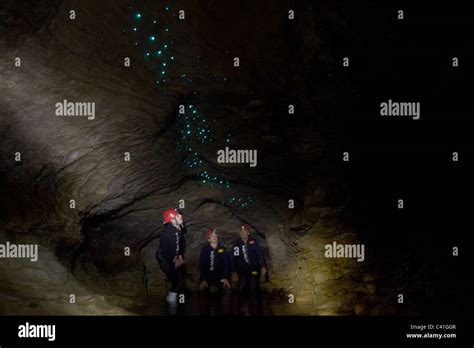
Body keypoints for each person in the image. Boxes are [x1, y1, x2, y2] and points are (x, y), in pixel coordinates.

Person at [155, 208, 186, 305]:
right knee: (178, 281)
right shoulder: (168, 233)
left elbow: (179, 244)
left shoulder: (179, 227)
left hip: (171, 257)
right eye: (177, 215)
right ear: (172, 220)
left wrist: (179, 256)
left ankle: (171, 302)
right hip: (164, 259)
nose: (180, 215)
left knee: (180, 281)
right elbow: (165, 252)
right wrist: (174, 260)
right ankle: (171, 304)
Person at [230, 224, 267, 297]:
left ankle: (255, 305)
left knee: (253, 289)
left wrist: (263, 266)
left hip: (254, 268)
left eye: (245, 231)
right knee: (240, 289)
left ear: (248, 233)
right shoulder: (236, 243)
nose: (243, 233)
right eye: (241, 231)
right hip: (242, 270)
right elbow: (233, 258)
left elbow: (259, 254)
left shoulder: (253, 241)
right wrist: (233, 271)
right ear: (239, 233)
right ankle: (241, 307)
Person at [199, 229, 231, 294]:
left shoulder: (223, 249)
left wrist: (225, 277)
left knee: (227, 291)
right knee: (202, 292)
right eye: (212, 236)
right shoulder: (205, 250)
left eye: (215, 236)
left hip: (220, 276)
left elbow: (226, 264)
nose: (214, 237)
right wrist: (203, 279)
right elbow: (202, 265)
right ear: (208, 239)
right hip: (208, 277)